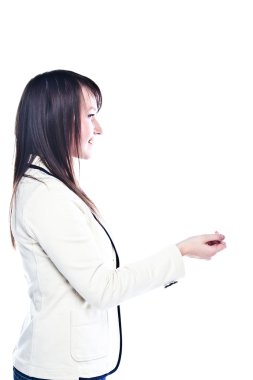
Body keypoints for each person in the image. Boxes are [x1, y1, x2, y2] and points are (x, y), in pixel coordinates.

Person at [9, 69, 227, 380]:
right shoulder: (45, 196)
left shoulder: (50, 187)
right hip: (60, 372)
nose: (98, 128)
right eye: (90, 115)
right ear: (58, 118)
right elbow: (102, 288)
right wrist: (181, 252)